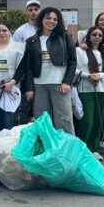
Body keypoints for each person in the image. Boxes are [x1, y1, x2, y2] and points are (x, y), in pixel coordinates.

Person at [23, 7, 77, 135]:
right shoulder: (31, 41)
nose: (51, 21)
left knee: (64, 118)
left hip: (59, 84)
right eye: (48, 18)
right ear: (42, 19)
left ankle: (66, 145)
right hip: (39, 84)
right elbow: (28, 67)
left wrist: (67, 82)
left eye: (55, 19)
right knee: (42, 119)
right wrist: (29, 88)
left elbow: (73, 60)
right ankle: (46, 145)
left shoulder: (64, 36)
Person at [74, 26, 104, 161]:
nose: (97, 37)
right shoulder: (79, 51)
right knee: (87, 120)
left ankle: (94, 149)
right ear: (88, 36)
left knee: (98, 119)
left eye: (100, 35)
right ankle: (81, 149)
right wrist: (88, 76)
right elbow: (73, 68)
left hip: (103, 90)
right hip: (85, 89)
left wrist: (99, 75)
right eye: (94, 34)